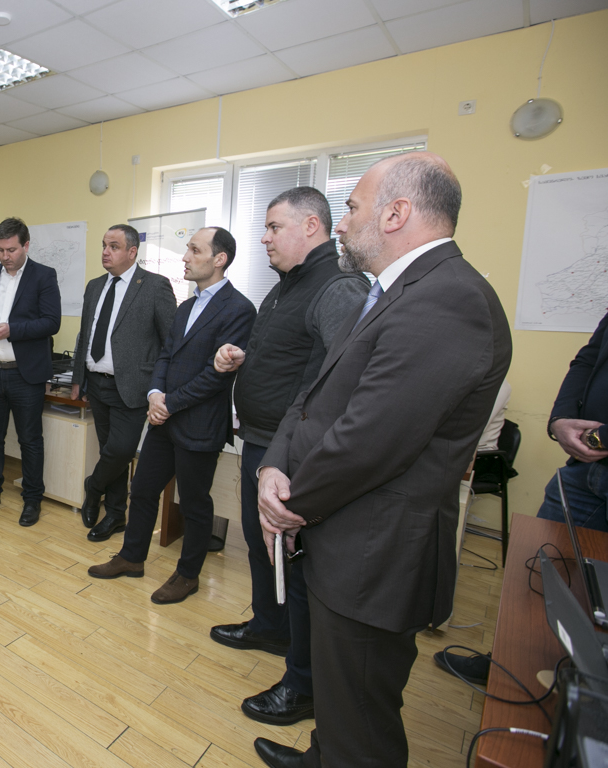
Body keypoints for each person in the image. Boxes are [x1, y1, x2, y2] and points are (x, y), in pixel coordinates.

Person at [252, 153, 511, 768]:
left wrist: (289, 506)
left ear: (395, 214)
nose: (340, 224)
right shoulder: (390, 293)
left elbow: (370, 440)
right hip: (344, 536)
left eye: (351, 208)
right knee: (341, 697)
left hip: (376, 554)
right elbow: (314, 396)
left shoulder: (450, 299)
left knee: (363, 722)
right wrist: (273, 465)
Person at [208, 187, 370, 728]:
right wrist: (243, 359)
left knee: (297, 568)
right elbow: (295, 356)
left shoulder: (338, 287)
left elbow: (339, 383)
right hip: (261, 439)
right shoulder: (286, 286)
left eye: (274, 227)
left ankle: (302, 684)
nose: (264, 237)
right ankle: (269, 627)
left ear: (311, 226)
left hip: (296, 452)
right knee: (261, 546)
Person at [87, 227, 255, 604]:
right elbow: (165, 355)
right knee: (143, 489)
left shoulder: (239, 309)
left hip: (199, 424)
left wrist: (169, 403)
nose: (185, 257)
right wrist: (154, 394)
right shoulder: (185, 307)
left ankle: (187, 575)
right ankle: (132, 557)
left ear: (219, 259)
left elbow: (215, 376)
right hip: (164, 419)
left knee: (193, 504)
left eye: (195, 250)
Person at [70, 224, 176, 542]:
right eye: (104, 245)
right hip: (96, 384)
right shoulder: (94, 286)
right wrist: (78, 378)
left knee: (121, 450)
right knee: (109, 451)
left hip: (132, 386)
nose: (105, 252)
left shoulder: (154, 285)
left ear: (132, 252)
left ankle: (93, 487)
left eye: (113, 246)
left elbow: (170, 341)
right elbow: (85, 335)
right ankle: (116, 514)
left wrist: (162, 387)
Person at [0, 218, 61, 526]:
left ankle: (32, 499)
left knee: (30, 440)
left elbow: (52, 322)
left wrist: (12, 330)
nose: (5, 256)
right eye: (0, 250)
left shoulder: (44, 276)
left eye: (11, 250)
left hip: (26, 375)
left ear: (26, 245)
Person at [536, 311, 608, 531]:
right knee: (544, 548)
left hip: (592, 446)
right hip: (584, 469)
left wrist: (598, 438)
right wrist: (561, 418)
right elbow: (587, 361)